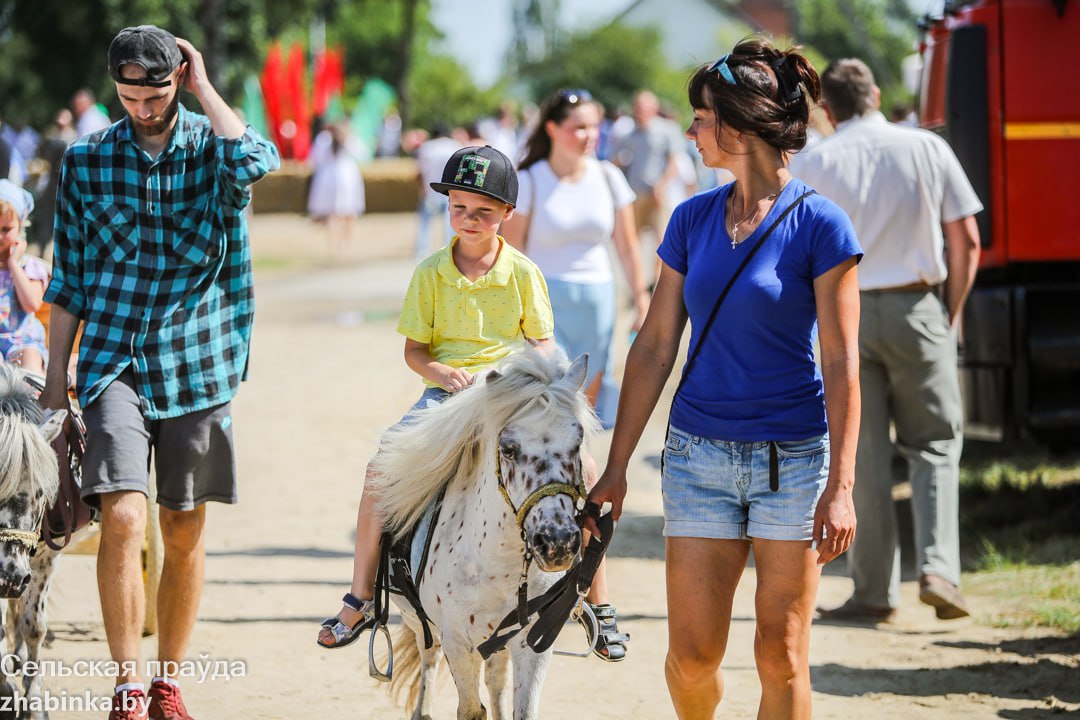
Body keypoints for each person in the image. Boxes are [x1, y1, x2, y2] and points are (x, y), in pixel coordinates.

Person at [587, 39, 862, 719]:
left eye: (702, 119)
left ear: (739, 126)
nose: (690, 132)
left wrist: (841, 486)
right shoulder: (691, 219)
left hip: (793, 462)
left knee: (782, 653)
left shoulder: (821, 225)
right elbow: (655, 345)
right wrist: (616, 466)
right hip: (697, 459)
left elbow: (841, 361)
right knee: (692, 660)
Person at [39, 25, 279, 720]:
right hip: (113, 359)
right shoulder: (86, 161)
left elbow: (258, 159)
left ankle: (167, 684)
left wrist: (202, 86)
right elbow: (68, 279)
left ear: (178, 80)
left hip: (200, 361)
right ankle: (125, 686)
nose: (143, 109)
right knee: (121, 515)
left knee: (181, 528)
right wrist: (54, 385)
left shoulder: (213, 149)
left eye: (156, 95)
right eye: (129, 97)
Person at [316, 145, 557, 650]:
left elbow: (542, 344)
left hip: (507, 396)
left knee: (584, 468)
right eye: (458, 207)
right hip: (445, 398)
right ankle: (360, 596)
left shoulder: (524, 273)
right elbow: (415, 351)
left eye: (484, 211)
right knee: (379, 470)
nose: (469, 219)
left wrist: (518, 374)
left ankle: (591, 598)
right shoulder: (429, 272)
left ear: (507, 213)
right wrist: (442, 372)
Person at [791, 58, 982, 623]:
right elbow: (966, 240)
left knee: (862, 454)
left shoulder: (816, 159)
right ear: (875, 94)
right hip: (916, 304)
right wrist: (949, 313)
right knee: (935, 443)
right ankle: (938, 569)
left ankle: (874, 590)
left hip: (840, 314)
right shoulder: (927, 147)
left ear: (828, 109)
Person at [502, 88, 650, 427]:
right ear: (552, 129)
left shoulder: (609, 176)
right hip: (543, 304)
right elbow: (512, 253)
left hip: (598, 302)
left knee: (586, 407)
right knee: (547, 400)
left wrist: (641, 299)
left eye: (595, 126)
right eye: (579, 127)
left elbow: (627, 247)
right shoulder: (528, 179)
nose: (590, 135)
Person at [613, 90, 684, 280]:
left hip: (657, 194)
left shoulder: (667, 130)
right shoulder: (630, 134)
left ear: (653, 108)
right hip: (635, 193)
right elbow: (616, 160)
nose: (638, 111)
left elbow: (674, 162)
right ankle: (638, 280)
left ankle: (657, 281)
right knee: (632, 239)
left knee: (662, 240)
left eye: (642, 107)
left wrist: (662, 184)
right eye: (637, 107)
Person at [0, 180, 47, 375]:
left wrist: (13, 264)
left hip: (22, 343)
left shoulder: (28, 266)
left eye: (6, 229)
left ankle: (33, 391)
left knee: (29, 357)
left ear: (20, 227)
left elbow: (32, 304)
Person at [307, 120, 366, 253]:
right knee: (349, 212)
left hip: (327, 178)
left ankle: (333, 245)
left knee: (333, 213)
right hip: (349, 177)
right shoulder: (349, 139)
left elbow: (314, 159)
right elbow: (362, 155)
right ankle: (347, 244)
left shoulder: (323, 139)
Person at [413, 123, 460, 261]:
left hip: (430, 190)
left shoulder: (426, 147)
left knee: (425, 223)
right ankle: (450, 250)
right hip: (449, 192)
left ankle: (421, 250)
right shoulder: (454, 146)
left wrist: (422, 189)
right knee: (450, 223)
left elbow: (419, 172)